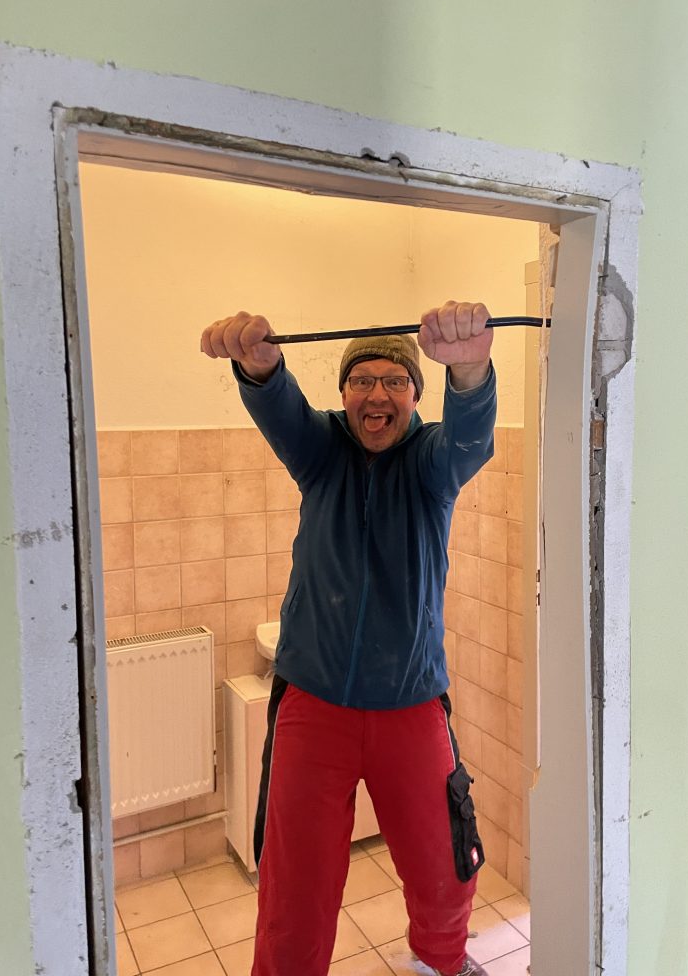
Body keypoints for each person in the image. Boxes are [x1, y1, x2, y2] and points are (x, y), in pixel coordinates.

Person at [200, 300, 496, 976]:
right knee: (294, 889)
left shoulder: (430, 462)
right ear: (344, 394)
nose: (377, 394)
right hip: (313, 703)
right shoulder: (320, 451)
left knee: (446, 866)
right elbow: (280, 407)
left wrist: (471, 371)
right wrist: (260, 366)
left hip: (412, 702)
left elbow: (470, 440)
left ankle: (442, 964)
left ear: (415, 395)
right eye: (362, 380)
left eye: (395, 380)